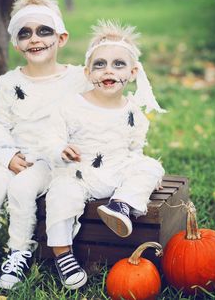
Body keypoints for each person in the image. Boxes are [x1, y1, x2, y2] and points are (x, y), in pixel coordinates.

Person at [44, 19, 166, 290]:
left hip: (118, 169)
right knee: (61, 195)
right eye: (100, 64)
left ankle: (120, 205)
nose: (108, 71)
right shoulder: (72, 105)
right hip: (80, 173)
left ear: (133, 72)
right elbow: (51, 137)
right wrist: (59, 149)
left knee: (152, 168)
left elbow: (135, 147)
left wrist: (140, 172)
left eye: (118, 64)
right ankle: (63, 254)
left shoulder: (133, 110)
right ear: (88, 72)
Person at [0, 0, 90, 290]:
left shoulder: (77, 79)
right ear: (16, 43)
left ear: (62, 37)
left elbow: (97, 114)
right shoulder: (9, 83)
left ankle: (19, 250)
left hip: (53, 158)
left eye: (44, 31)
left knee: (22, 186)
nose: (35, 39)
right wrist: (5, 155)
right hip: (16, 153)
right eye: (25, 33)